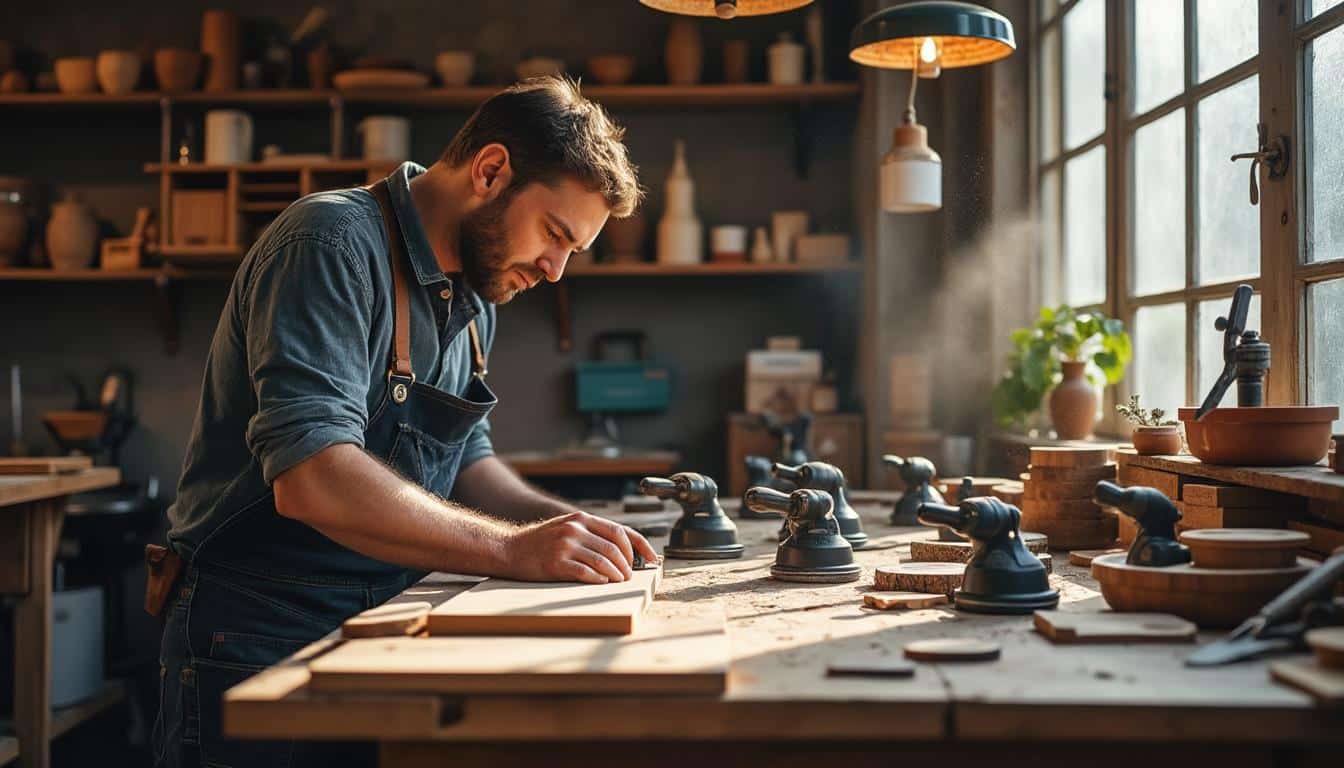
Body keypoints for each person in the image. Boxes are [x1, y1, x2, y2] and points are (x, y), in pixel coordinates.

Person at [153, 76, 656, 768]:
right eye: (554, 234)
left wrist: (565, 529)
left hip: (381, 621)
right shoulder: (328, 245)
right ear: (490, 171)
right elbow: (312, 478)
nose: (556, 269)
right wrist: (513, 552)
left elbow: (467, 462)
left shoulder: (478, 297)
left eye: (574, 251)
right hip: (255, 632)